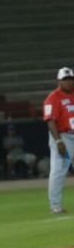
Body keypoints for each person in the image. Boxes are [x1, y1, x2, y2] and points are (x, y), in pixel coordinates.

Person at [43, 66, 74, 214]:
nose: (68, 82)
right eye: (65, 80)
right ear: (59, 81)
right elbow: (50, 121)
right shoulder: (53, 98)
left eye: (70, 79)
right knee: (59, 171)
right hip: (63, 137)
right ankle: (55, 205)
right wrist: (58, 141)